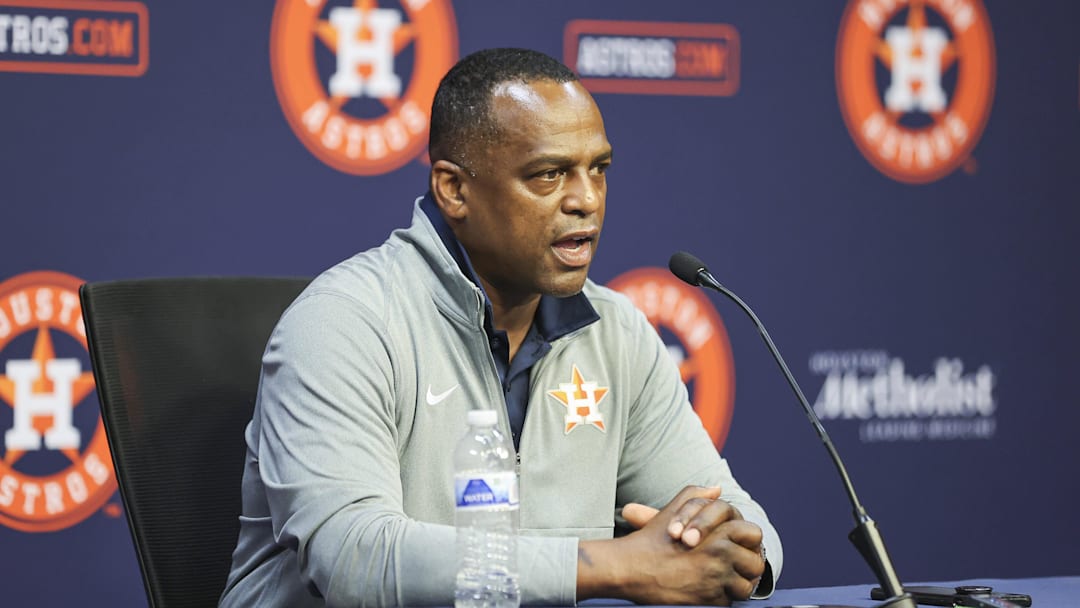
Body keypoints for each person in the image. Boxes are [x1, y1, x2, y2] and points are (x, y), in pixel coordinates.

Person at [220, 48, 782, 607]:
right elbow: (353, 559)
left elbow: (743, 518)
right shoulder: (345, 323)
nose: (586, 200)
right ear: (454, 190)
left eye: (598, 170)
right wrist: (614, 565)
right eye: (548, 174)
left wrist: (722, 550)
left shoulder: (617, 333)